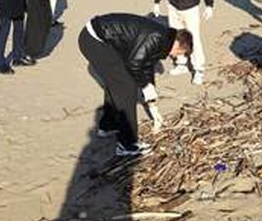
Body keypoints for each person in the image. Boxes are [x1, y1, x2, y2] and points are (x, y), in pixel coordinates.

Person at [78, 13, 193, 157]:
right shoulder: (156, 37)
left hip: (99, 39)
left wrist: (151, 95)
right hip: (94, 40)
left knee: (116, 82)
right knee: (126, 87)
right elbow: (134, 64)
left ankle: (108, 124)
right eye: (180, 53)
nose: (176, 56)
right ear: (179, 44)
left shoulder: (163, 39)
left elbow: (146, 65)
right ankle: (127, 144)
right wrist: (145, 85)